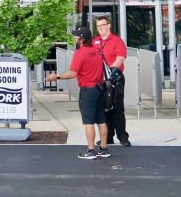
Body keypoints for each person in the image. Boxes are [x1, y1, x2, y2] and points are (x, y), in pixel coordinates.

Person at [46, 26, 110, 160]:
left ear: (82, 39)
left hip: (88, 90)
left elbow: (72, 74)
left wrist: (56, 76)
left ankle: (91, 150)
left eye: (76, 36)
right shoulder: (97, 51)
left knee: (88, 122)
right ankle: (104, 149)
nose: (74, 38)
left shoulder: (80, 53)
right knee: (101, 120)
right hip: (99, 89)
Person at [93, 16, 130, 147]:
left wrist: (111, 72)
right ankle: (107, 137)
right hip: (100, 80)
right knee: (104, 110)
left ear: (109, 25)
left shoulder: (116, 41)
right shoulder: (95, 41)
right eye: (98, 26)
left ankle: (123, 137)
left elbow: (120, 58)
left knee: (117, 108)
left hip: (115, 79)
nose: (100, 28)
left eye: (103, 25)